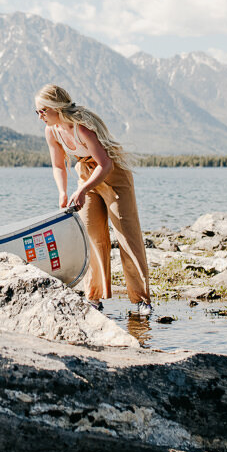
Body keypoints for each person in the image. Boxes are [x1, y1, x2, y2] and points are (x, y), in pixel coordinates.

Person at [34, 84, 151, 313]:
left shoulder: (83, 129)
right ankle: (93, 298)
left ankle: (141, 301)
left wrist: (82, 190)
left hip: (113, 174)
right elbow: (58, 165)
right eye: (36, 112)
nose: (40, 116)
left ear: (56, 108)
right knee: (92, 236)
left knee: (127, 236)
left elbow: (105, 164)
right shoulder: (52, 131)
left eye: (42, 111)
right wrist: (63, 192)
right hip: (87, 175)